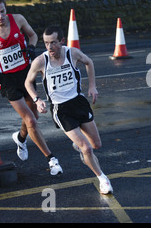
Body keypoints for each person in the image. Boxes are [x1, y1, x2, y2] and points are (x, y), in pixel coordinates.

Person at [0, 0, 62, 175]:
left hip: (26, 75)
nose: (0, 16)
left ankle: (21, 138)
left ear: (6, 9)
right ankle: (51, 159)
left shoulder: (18, 19)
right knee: (30, 120)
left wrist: (31, 46)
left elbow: (33, 35)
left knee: (34, 117)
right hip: (6, 81)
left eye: (2, 11)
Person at [24, 25, 113, 195]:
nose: (49, 47)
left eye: (53, 43)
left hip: (78, 102)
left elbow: (89, 62)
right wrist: (37, 100)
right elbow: (28, 82)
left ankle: (78, 146)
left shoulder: (72, 53)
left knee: (96, 145)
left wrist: (92, 86)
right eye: (46, 43)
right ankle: (103, 179)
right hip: (61, 109)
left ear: (62, 41)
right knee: (87, 148)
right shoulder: (41, 61)